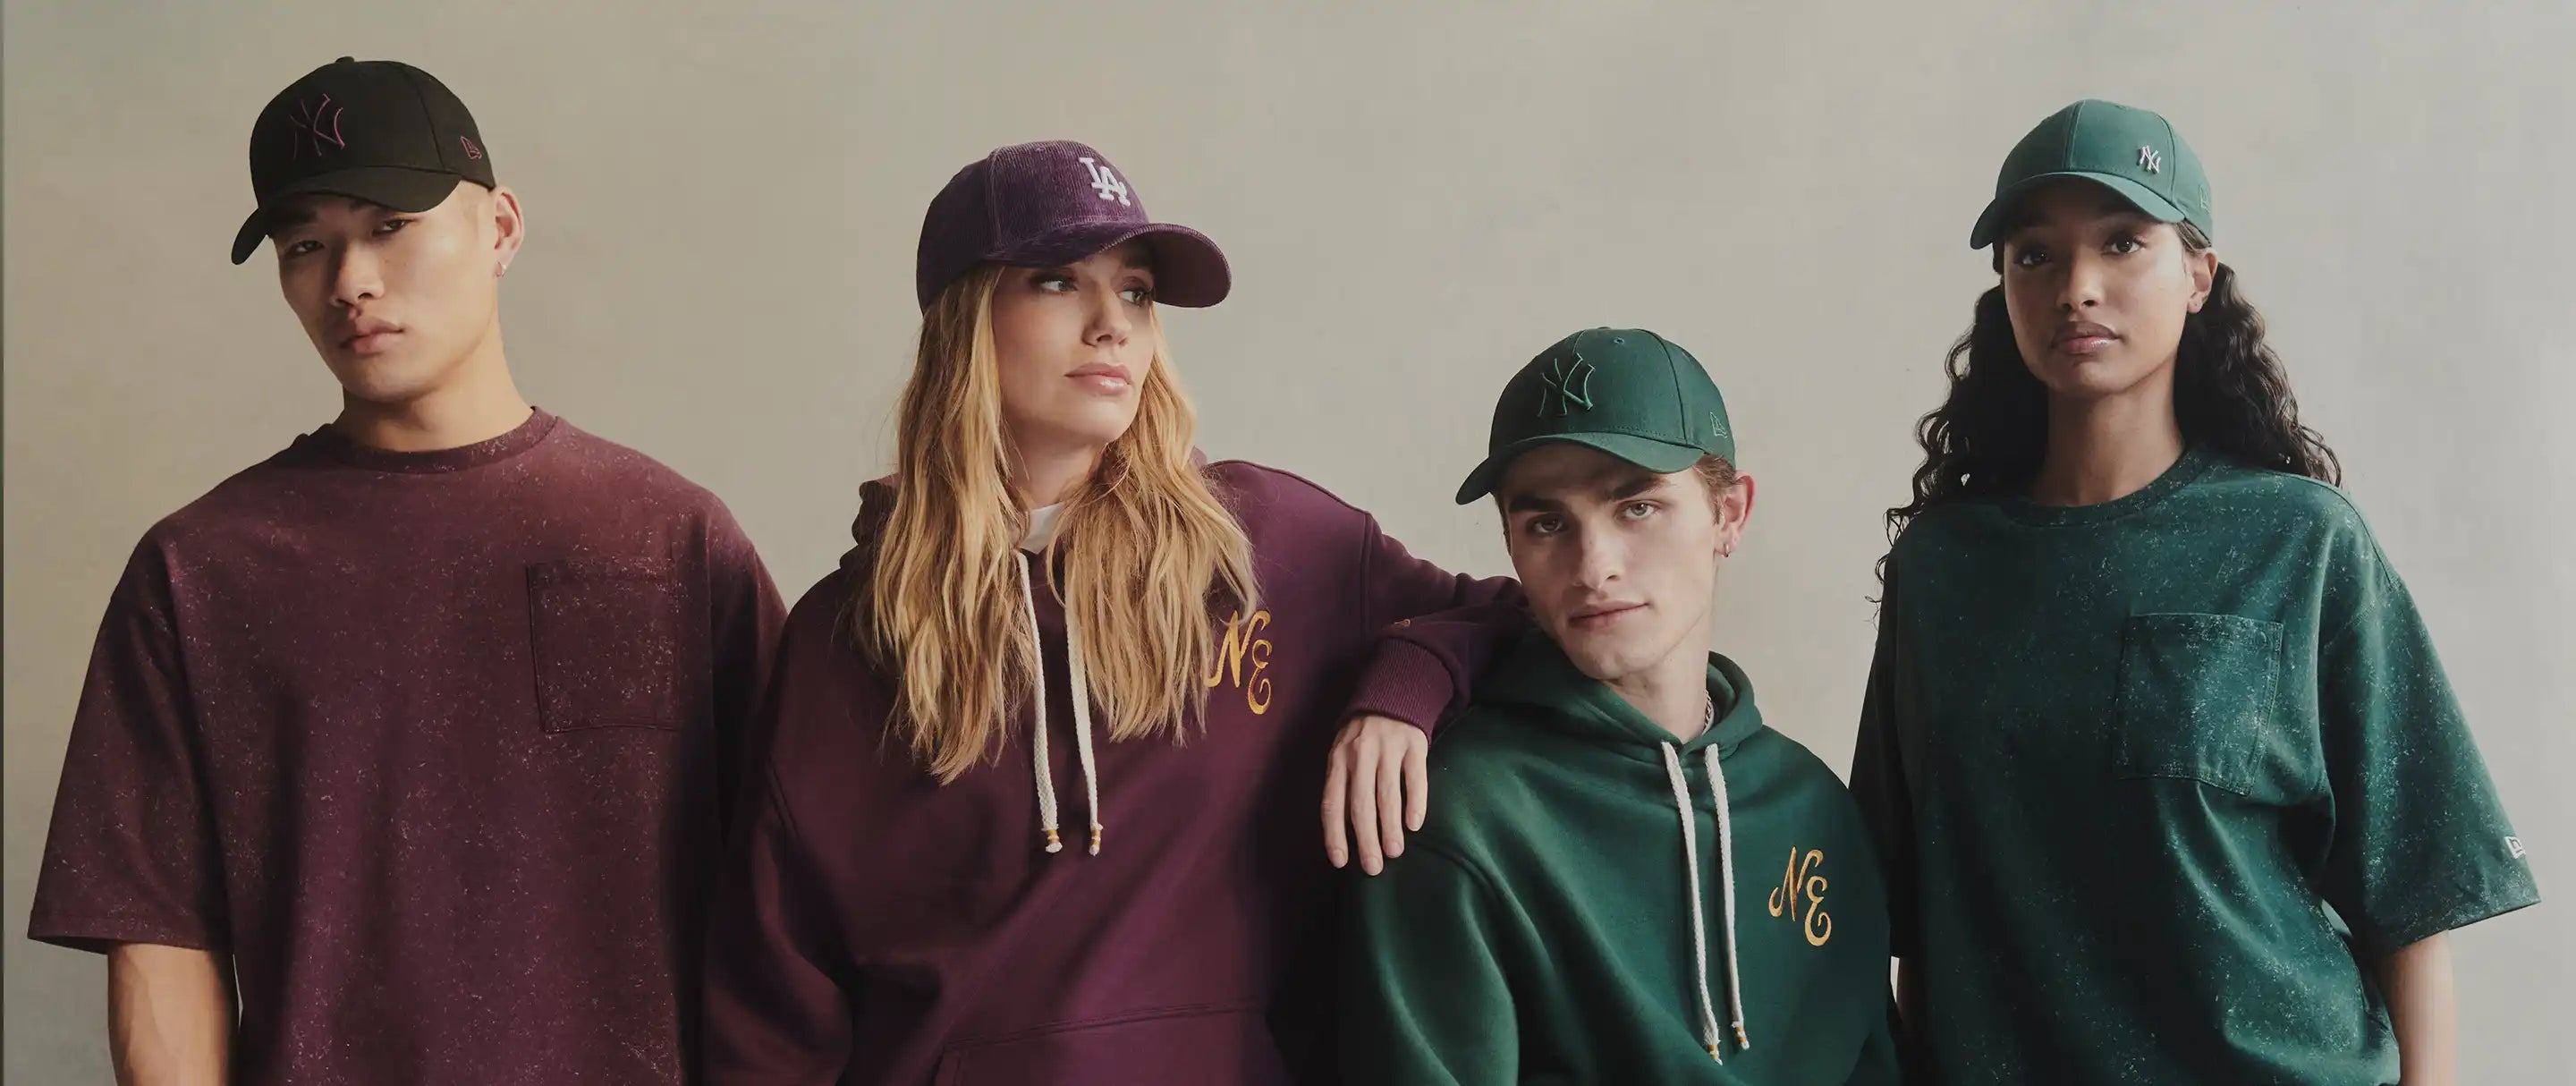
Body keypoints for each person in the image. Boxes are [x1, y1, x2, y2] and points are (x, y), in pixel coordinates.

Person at [27, 56, 784, 1085]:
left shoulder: (671, 538)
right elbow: (160, 938)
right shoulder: (200, 570)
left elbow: (801, 904)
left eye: (389, 224)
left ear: (502, 227)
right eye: (308, 245)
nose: (350, 282)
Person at [700, 140, 1520, 1084]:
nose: (1113, 325)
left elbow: (1520, 618)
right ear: (967, 319)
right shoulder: (847, 635)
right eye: (1057, 283)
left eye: (1134, 291)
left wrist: (1408, 683)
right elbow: (772, 1000)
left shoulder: (1267, 545)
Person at [1848, 99, 2541, 1083]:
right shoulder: (1944, 569)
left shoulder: (2301, 541)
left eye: (2124, 243)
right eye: (2035, 255)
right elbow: (1916, 905)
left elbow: (2412, 890)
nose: (2077, 287)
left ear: (2200, 276)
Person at [1340, 327, 1901, 1084]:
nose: (1592, 567)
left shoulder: (1813, 807)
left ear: (1729, 513)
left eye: (1636, 507)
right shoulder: (1456, 816)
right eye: (1546, 524)